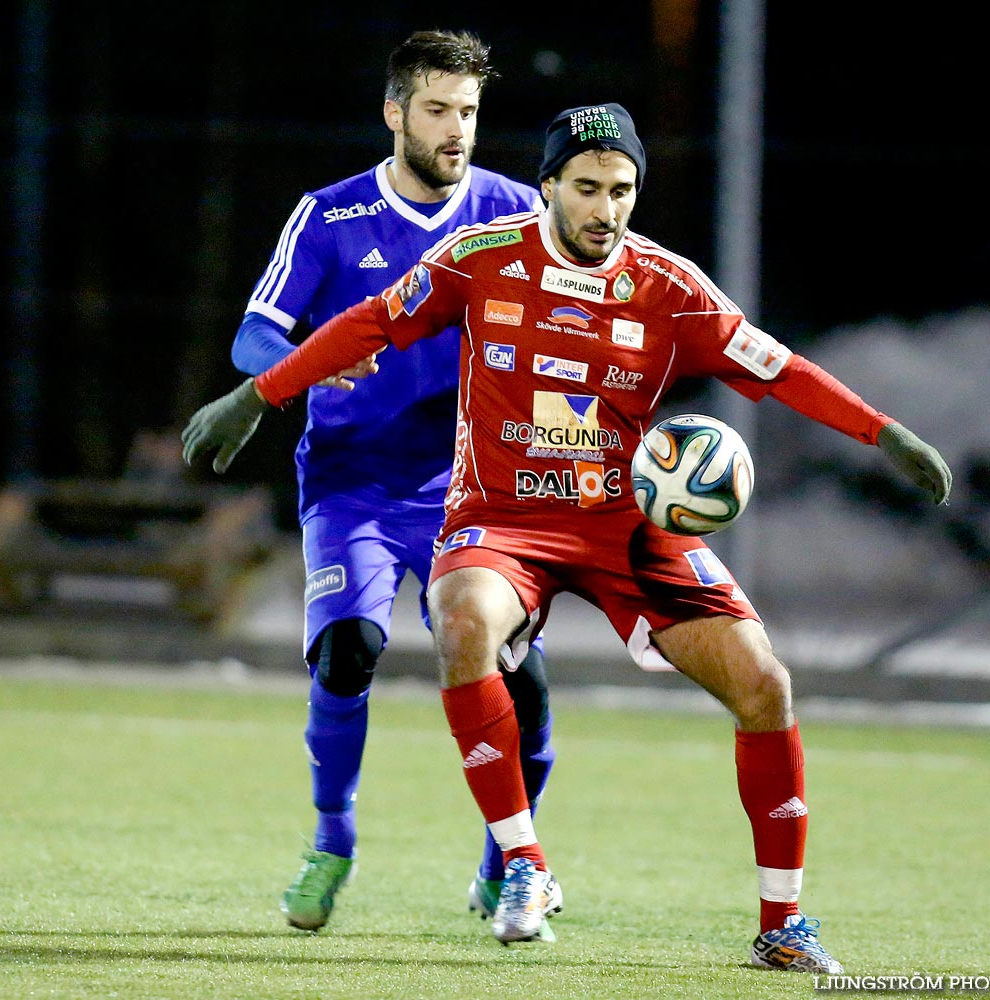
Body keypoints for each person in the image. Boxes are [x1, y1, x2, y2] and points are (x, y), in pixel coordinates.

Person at [183, 102, 952, 970]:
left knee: (763, 685)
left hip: (627, 528)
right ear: (547, 186)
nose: (606, 209)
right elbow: (371, 324)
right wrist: (257, 396)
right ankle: (521, 865)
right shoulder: (481, 260)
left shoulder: (668, 286)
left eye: (621, 190)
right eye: (586, 188)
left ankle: (781, 926)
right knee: (463, 618)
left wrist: (881, 431)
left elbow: (777, 370)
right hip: (501, 521)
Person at [221, 30, 558, 934]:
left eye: (471, 113)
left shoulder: (520, 213)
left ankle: (504, 865)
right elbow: (253, 335)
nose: (457, 131)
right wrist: (302, 364)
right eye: (439, 110)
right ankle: (332, 841)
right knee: (348, 652)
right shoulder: (327, 216)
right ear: (394, 111)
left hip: (479, 489)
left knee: (518, 683)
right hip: (353, 482)